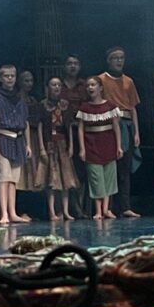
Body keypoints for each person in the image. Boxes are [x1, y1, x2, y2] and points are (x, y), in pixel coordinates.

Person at [98, 47, 142, 218]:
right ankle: (106, 207)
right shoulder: (101, 80)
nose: (119, 61)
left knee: (124, 168)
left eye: (121, 58)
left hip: (126, 125)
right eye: (115, 58)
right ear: (108, 60)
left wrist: (136, 132)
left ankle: (125, 206)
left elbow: (132, 108)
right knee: (109, 167)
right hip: (108, 125)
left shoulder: (128, 81)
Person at [0, 64, 32, 225]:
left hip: (18, 140)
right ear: (1, 78)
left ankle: (12, 212)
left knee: (13, 179)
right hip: (3, 139)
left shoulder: (20, 98)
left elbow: (25, 122)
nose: (10, 79)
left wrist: (28, 144)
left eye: (12, 76)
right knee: (3, 177)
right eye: (7, 76)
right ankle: (4, 213)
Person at [77, 76, 123, 221]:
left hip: (108, 143)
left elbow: (116, 127)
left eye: (93, 85)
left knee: (109, 177)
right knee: (96, 179)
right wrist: (82, 149)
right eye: (88, 85)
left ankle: (106, 209)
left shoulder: (110, 106)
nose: (90, 88)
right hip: (92, 145)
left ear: (100, 88)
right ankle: (98, 210)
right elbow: (80, 129)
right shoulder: (85, 108)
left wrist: (119, 146)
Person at [39, 77, 78, 221]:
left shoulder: (65, 105)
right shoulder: (43, 105)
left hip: (63, 142)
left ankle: (66, 211)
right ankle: (52, 211)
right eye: (53, 85)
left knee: (65, 178)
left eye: (59, 85)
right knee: (52, 178)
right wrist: (42, 147)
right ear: (48, 87)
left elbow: (68, 126)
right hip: (50, 143)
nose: (56, 87)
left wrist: (71, 146)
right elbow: (40, 126)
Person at [60, 53, 89, 217]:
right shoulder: (59, 85)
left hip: (82, 131)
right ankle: (66, 208)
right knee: (65, 169)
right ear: (64, 66)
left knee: (81, 170)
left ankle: (80, 207)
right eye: (69, 63)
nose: (72, 66)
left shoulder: (83, 85)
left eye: (76, 63)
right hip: (63, 132)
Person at [17, 69, 45, 206]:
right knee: (22, 173)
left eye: (31, 81)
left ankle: (33, 207)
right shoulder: (17, 98)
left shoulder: (33, 99)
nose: (29, 83)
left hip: (33, 136)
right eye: (26, 81)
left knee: (34, 172)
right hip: (20, 136)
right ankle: (21, 207)